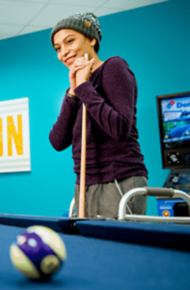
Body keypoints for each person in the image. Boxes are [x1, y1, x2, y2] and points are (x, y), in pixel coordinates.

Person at [49, 13, 148, 218]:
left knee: (117, 249)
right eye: (58, 48)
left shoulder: (113, 67)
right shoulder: (79, 87)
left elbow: (120, 129)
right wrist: (73, 92)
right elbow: (57, 141)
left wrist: (84, 86)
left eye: (70, 41)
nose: (64, 52)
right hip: (85, 182)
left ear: (91, 39)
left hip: (118, 179)